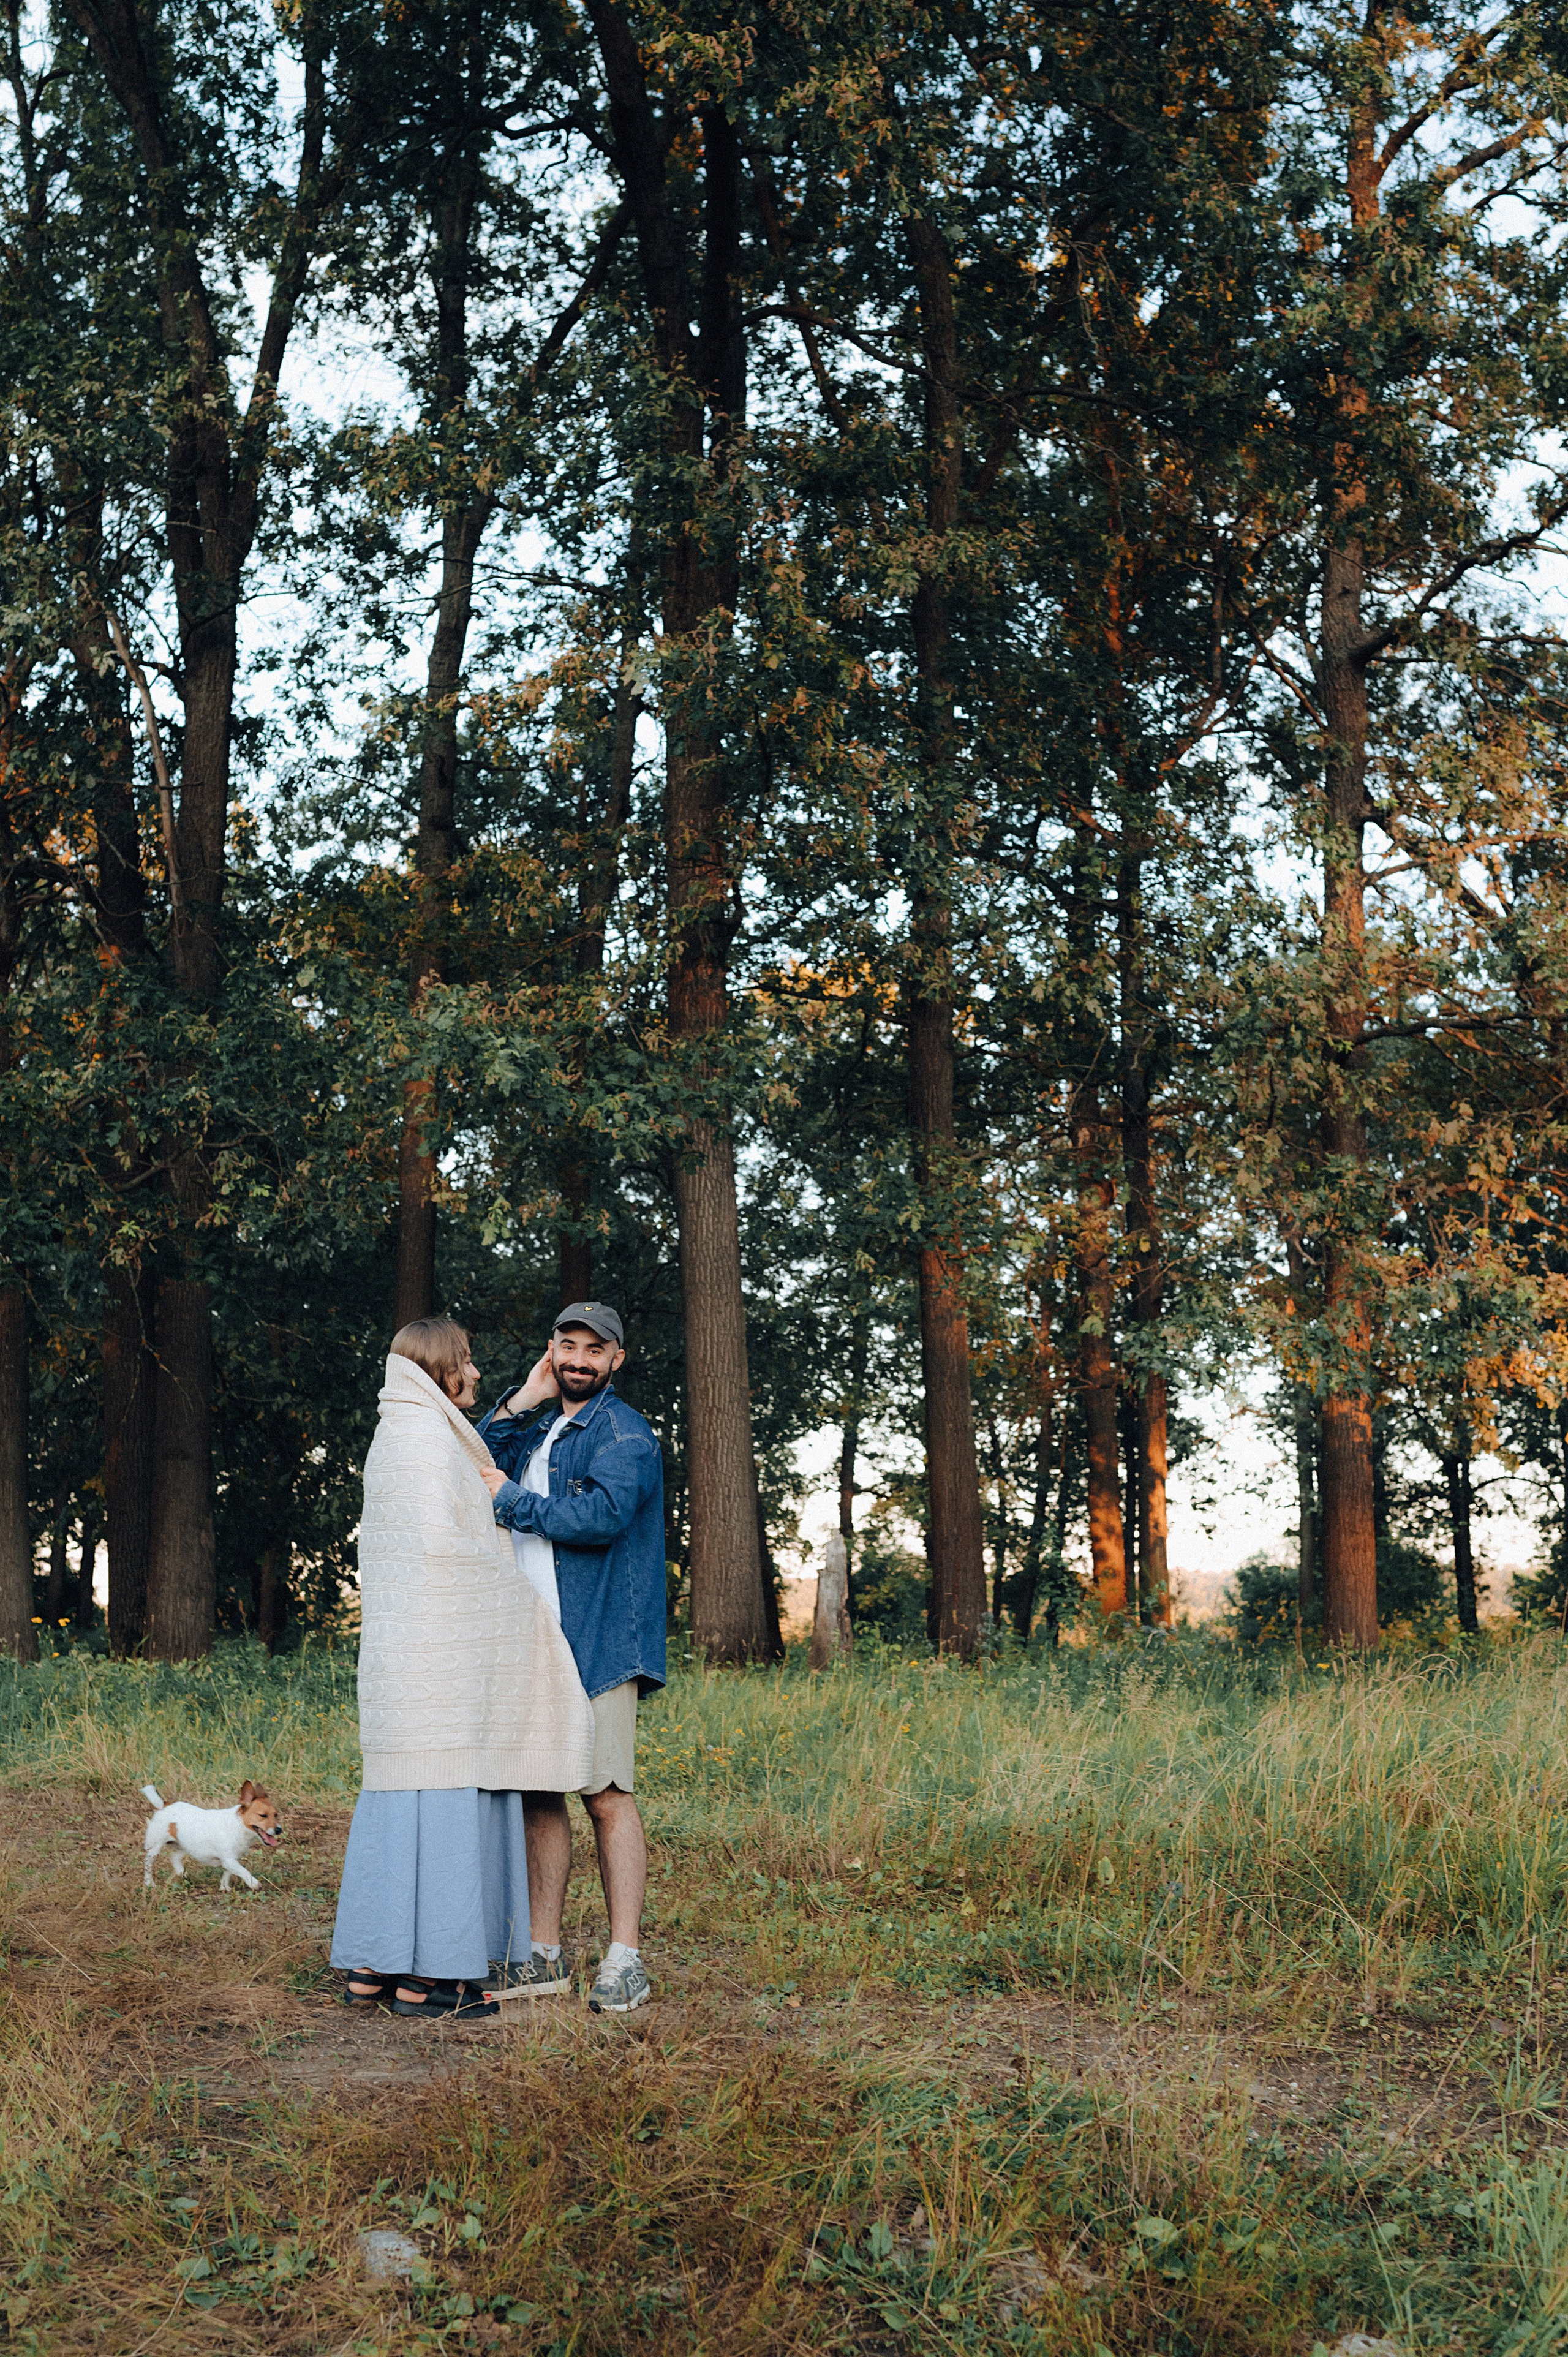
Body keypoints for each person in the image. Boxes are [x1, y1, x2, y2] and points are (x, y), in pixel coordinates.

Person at [330, 1319, 595, 2020]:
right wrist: (523, 1603)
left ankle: (375, 1965)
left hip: (404, 1670)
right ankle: (433, 1979)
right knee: (447, 1807)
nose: (476, 1375)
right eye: (468, 1363)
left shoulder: (401, 1434)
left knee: (399, 1809)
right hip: (438, 1671)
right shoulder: (422, 1443)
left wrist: (524, 1400)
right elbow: (448, 1555)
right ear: (440, 1369)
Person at [477, 1302, 665, 2013]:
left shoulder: (623, 1432)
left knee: (606, 1795)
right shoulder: (540, 1423)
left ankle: (626, 1958)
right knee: (538, 1792)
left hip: (598, 1640)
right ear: (549, 1348)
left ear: (617, 1359)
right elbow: (473, 1461)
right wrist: (523, 1396)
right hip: (535, 1641)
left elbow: (600, 1517)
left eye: (595, 1349)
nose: (580, 1359)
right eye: (567, 1345)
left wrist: (514, 1501)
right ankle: (543, 1956)